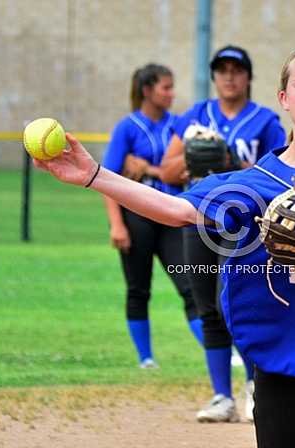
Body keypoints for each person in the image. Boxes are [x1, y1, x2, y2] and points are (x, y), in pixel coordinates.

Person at [35, 45, 295, 448]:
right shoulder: (253, 184)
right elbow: (176, 210)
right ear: (285, 99)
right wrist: (94, 175)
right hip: (285, 376)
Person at [160, 45, 286, 422]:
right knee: (208, 308)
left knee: (239, 305)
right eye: (222, 69)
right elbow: (166, 172)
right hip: (199, 220)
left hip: (245, 222)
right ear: (214, 76)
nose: (229, 76)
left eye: (237, 69)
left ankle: (255, 390)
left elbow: (279, 172)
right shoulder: (197, 116)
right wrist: (192, 160)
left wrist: (232, 162)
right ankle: (221, 397)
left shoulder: (265, 120)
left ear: (248, 76)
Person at [101, 63, 203, 369]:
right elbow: (108, 180)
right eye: (166, 87)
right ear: (147, 91)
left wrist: (147, 169)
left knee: (190, 286)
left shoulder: (180, 125)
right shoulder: (128, 127)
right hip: (136, 219)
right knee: (138, 288)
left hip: (172, 215)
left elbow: (183, 173)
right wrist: (117, 225)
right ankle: (146, 359)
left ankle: (222, 352)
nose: (172, 93)